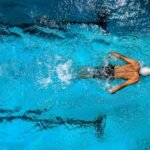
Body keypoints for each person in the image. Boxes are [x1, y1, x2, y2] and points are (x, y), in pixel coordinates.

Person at [80, 52, 150, 94]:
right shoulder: (136, 78)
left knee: (91, 69)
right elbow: (123, 85)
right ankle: (78, 76)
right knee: (90, 76)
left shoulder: (136, 63)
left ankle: (80, 68)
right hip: (110, 75)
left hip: (110, 67)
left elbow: (122, 57)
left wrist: (112, 53)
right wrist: (113, 90)